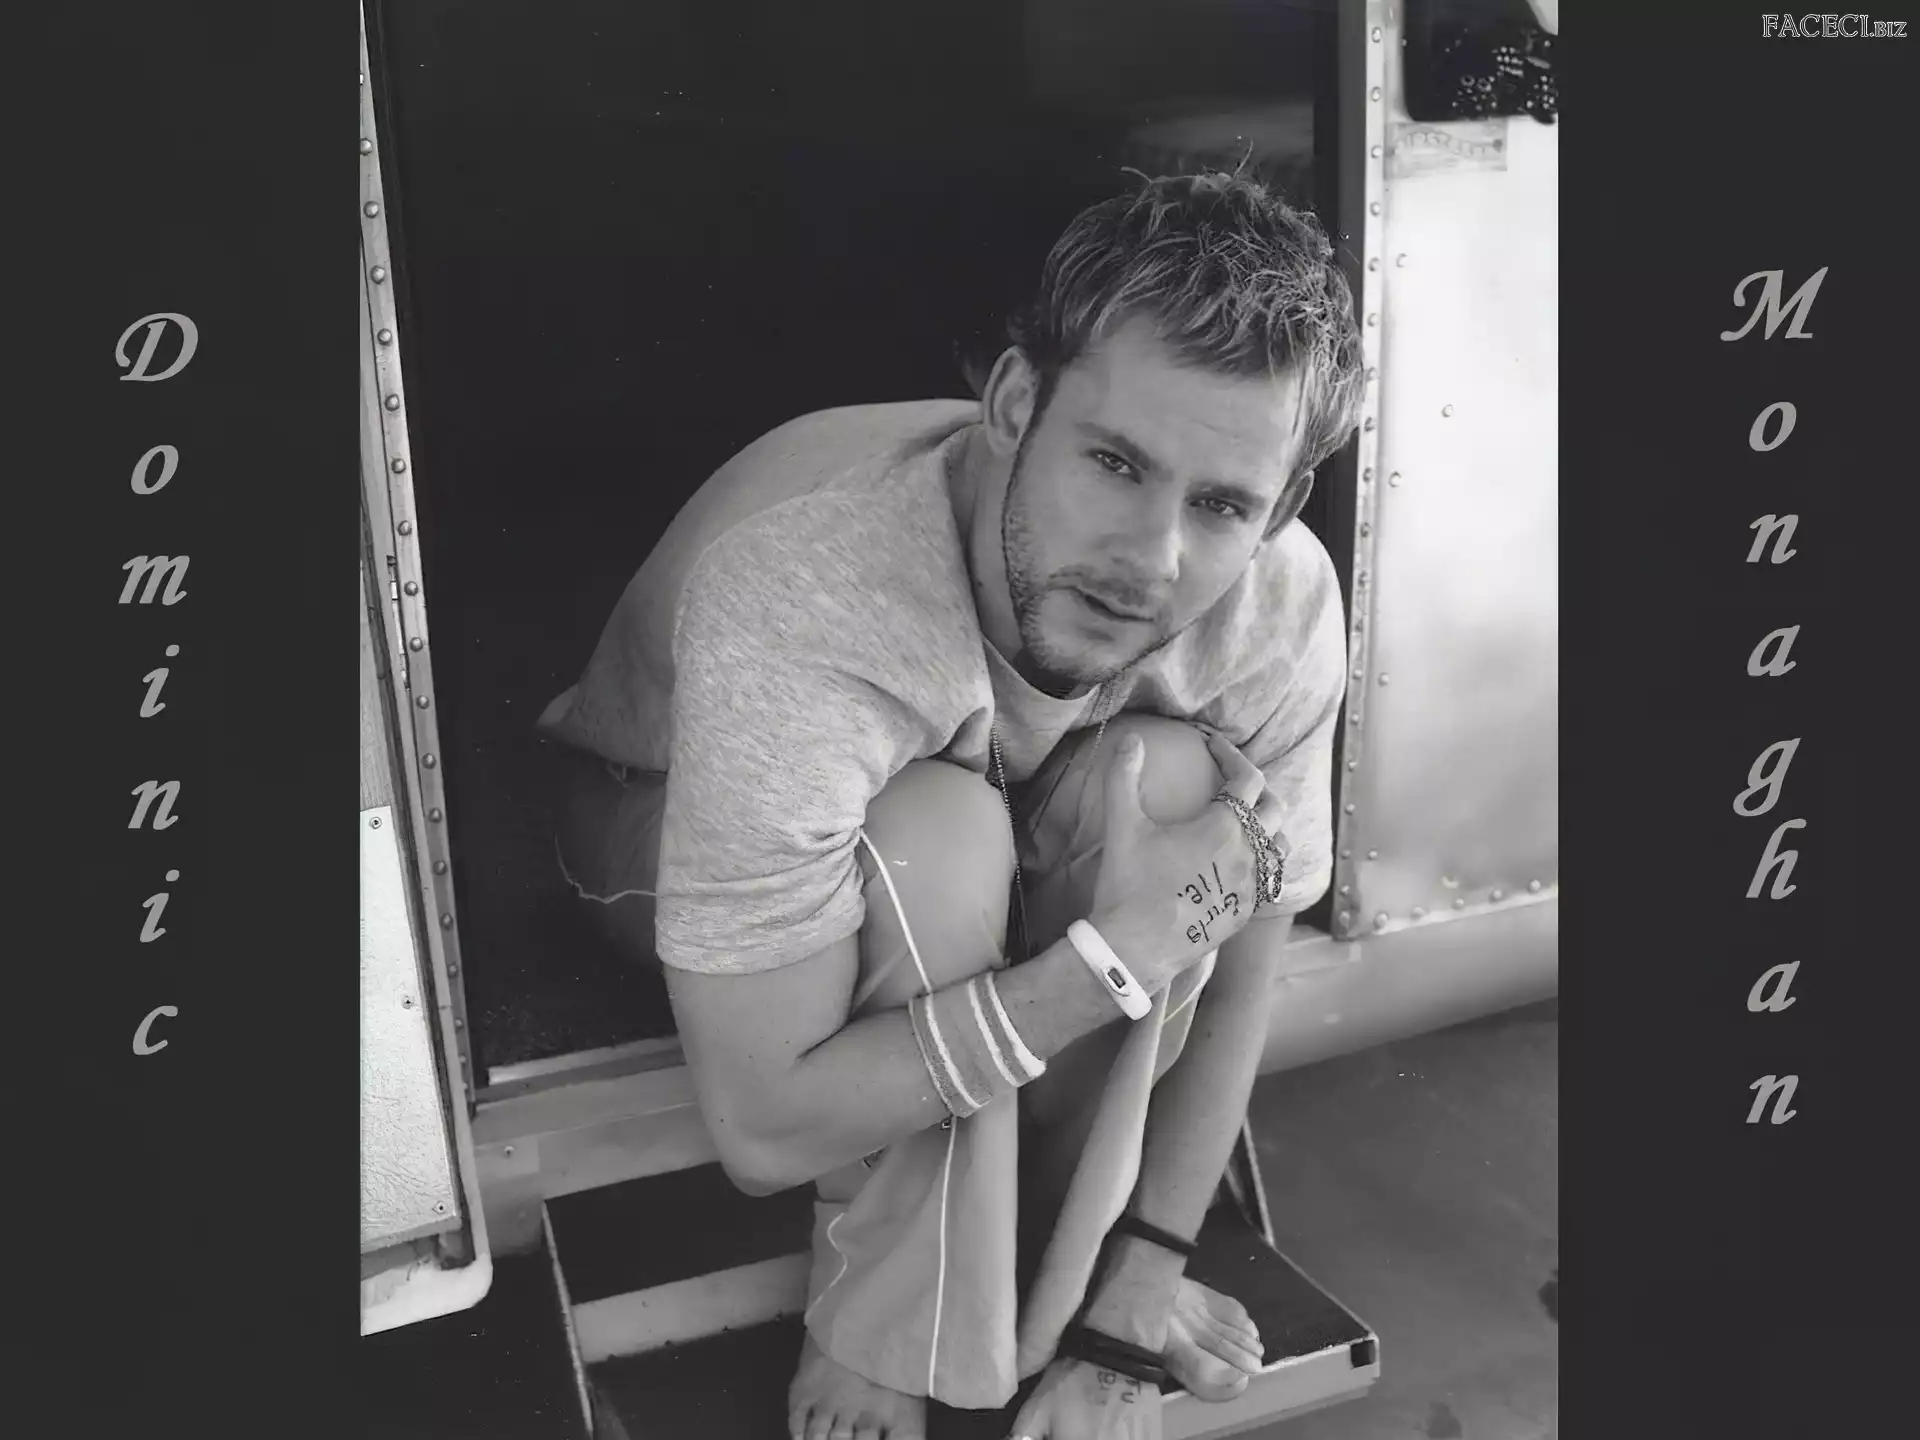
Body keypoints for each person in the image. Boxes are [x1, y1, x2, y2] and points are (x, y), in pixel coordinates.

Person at [536, 168, 1364, 1440]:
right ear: (1016, 403)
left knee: (1183, 792)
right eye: (1115, 463)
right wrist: (1108, 963)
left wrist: (1146, 1267)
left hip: (994, 807)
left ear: (1282, 507)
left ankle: (1078, 1285)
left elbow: (1248, 937)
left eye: (1219, 504)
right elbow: (764, 1127)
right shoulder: (809, 587)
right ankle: (887, 1317)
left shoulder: (1284, 597)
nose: (1151, 562)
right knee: (934, 835)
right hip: (650, 805)